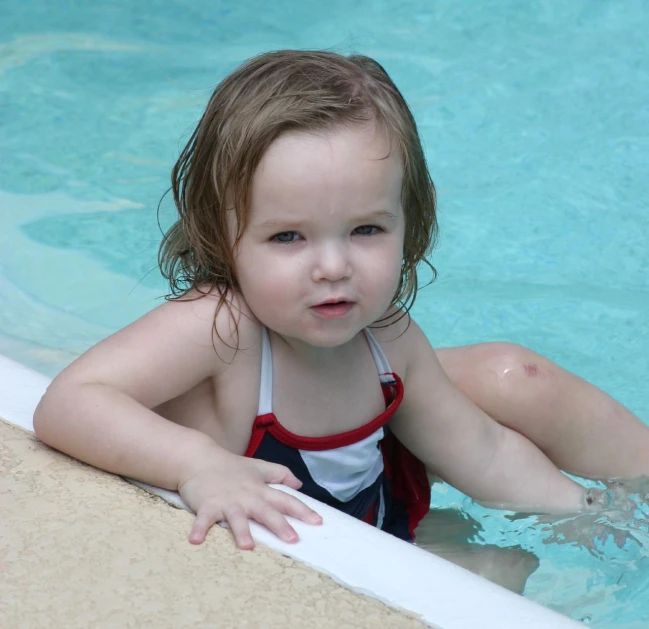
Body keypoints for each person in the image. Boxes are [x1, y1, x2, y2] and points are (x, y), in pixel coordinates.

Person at [33, 50, 649, 589]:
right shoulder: (221, 331)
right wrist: (198, 464)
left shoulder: (390, 341)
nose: (333, 266)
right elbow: (72, 401)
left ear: (411, 227)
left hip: (373, 520)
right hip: (289, 553)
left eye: (366, 230)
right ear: (221, 238)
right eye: (288, 237)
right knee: (488, 572)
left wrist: (585, 512)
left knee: (507, 552)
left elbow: (481, 450)